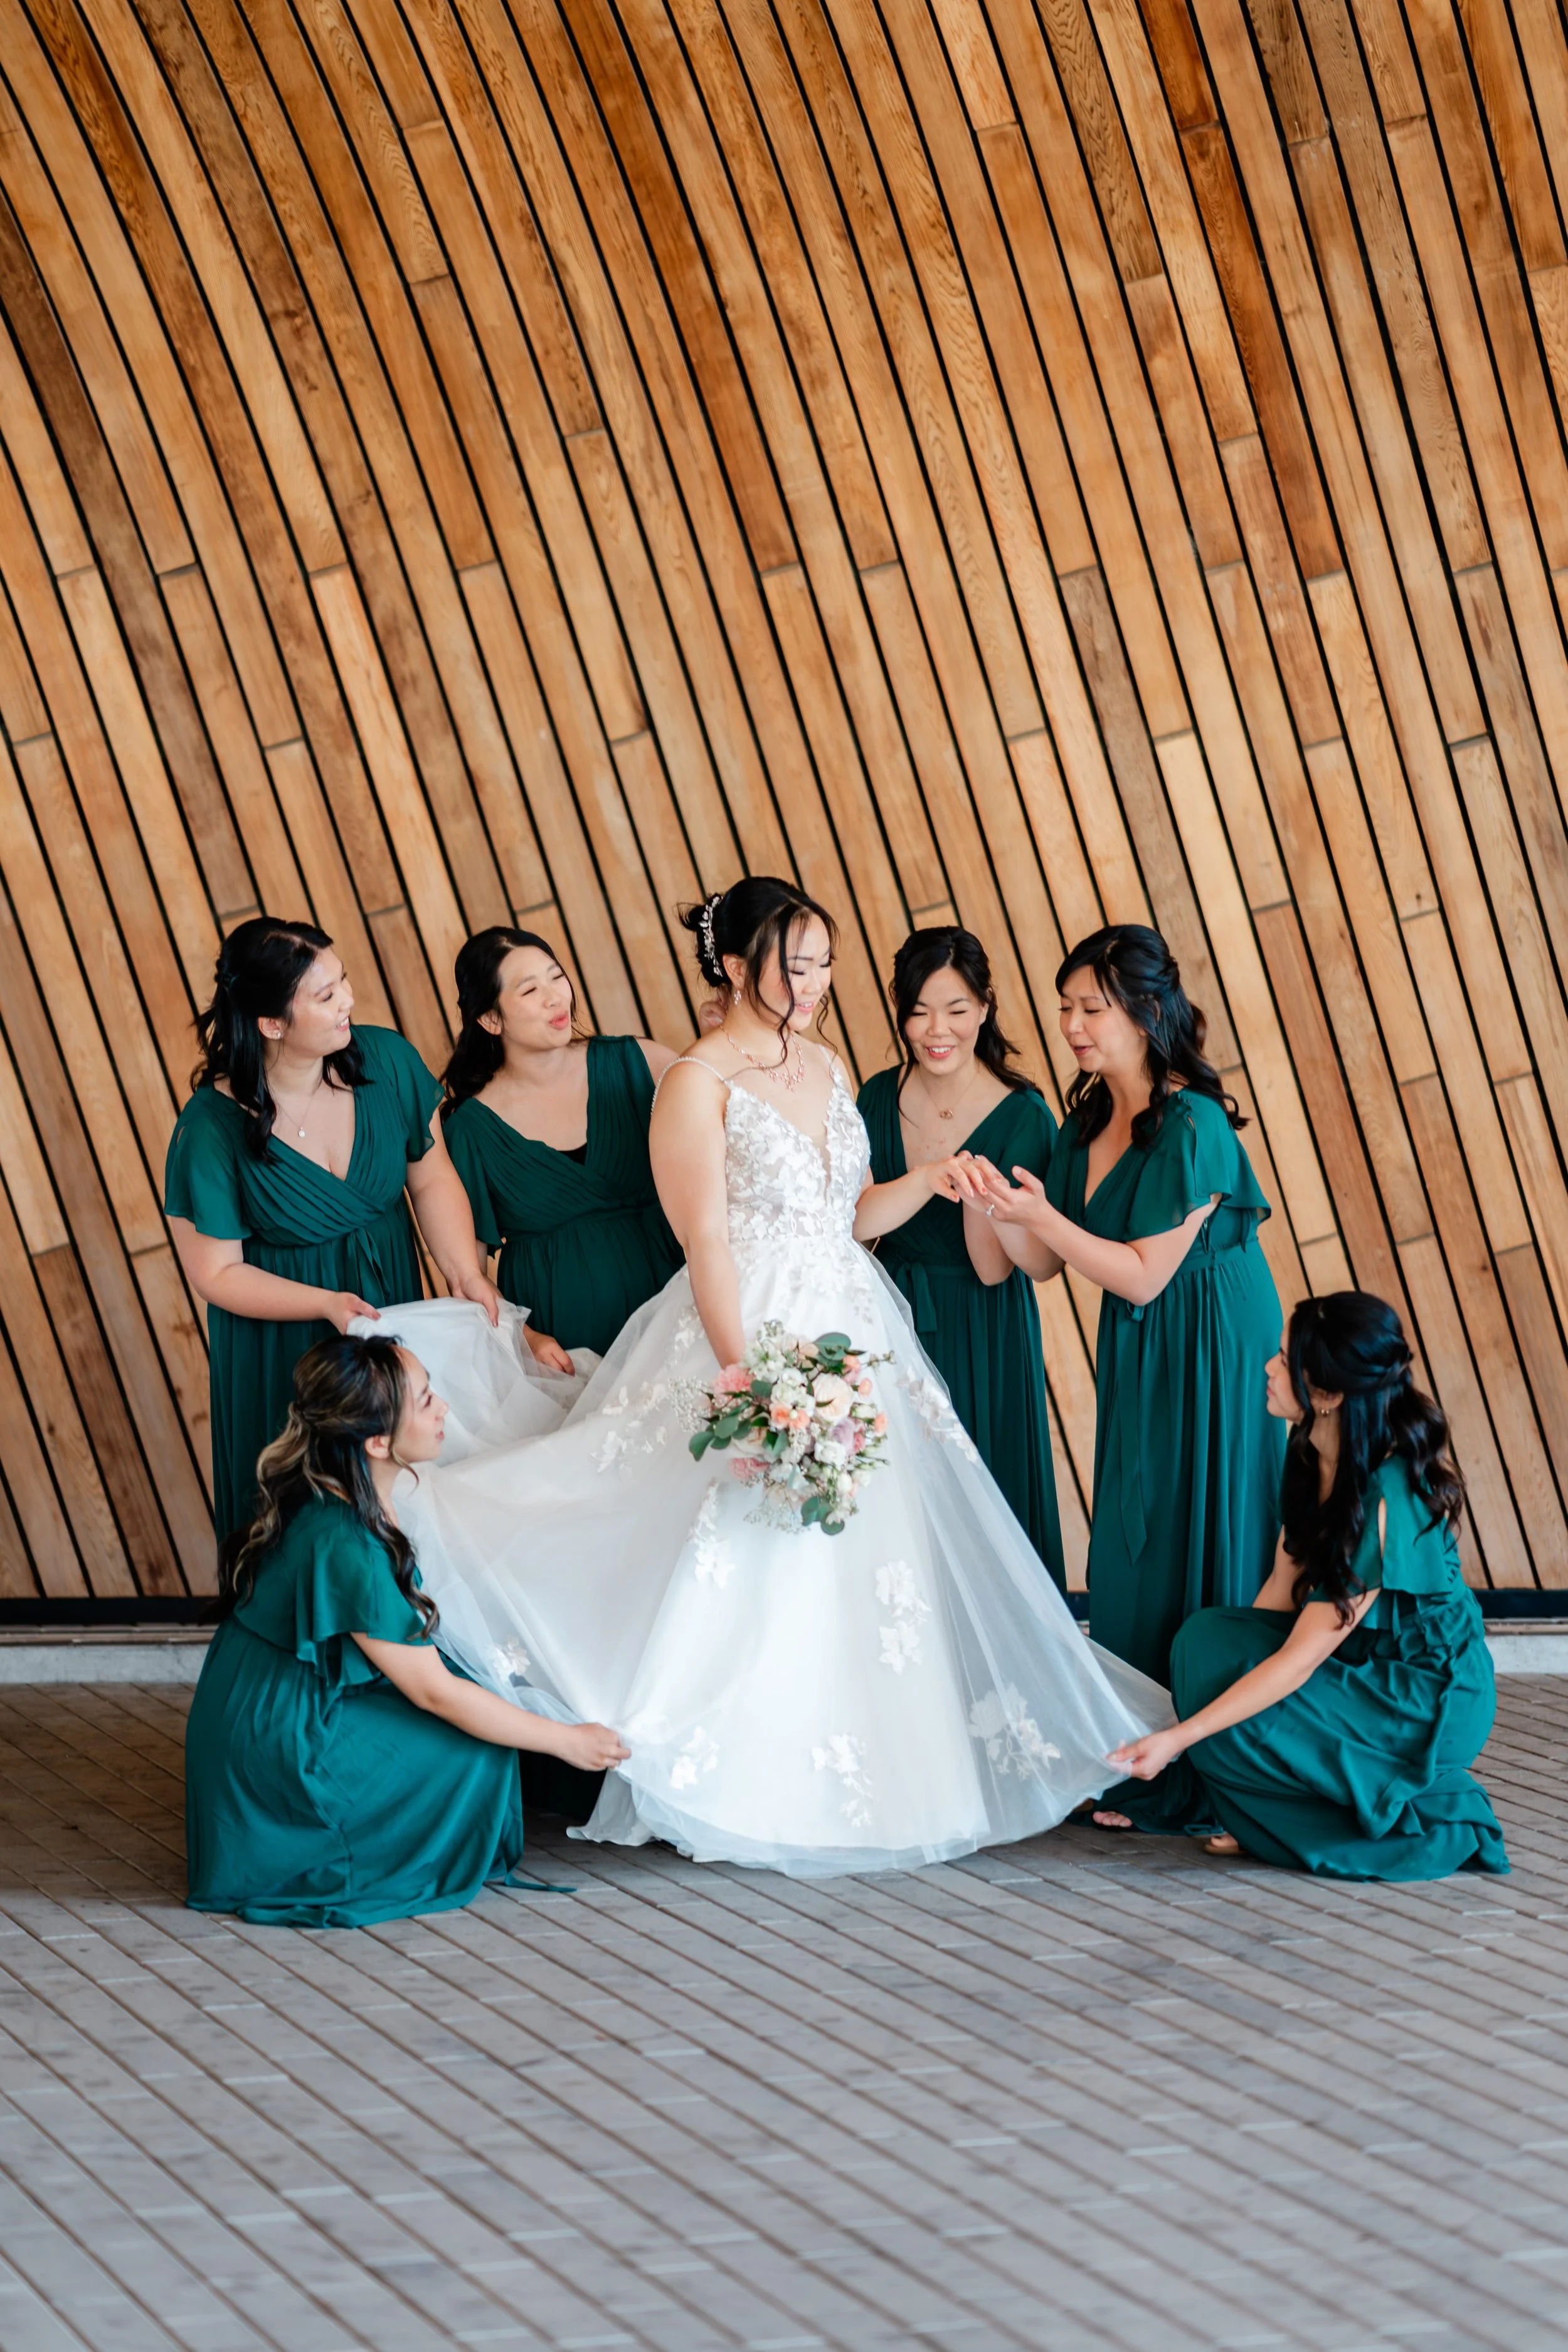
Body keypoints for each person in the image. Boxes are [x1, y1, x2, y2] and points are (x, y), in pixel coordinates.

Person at [366, 877, 1169, 1878]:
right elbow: (705, 1241)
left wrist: (927, 1180)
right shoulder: (694, 1079)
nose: (815, 982)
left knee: (869, 1546)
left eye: (825, 963)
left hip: (854, 1323)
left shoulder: (826, 1062)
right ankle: (748, 1775)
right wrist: (745, 1372)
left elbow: (849, 1217)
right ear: (739, 966)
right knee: (743, 1544)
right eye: (796, 964)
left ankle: (896, 1774)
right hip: (752, 1326)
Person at [970, 924, 1283, 1831]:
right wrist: (996, 1205)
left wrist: (1043, 1220)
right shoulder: (1087, 1121)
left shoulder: (1195, 1123)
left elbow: (1144, 1273)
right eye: (1065, 1007)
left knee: (1206, 1521)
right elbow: (1043, 1262)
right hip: (1144, 1342)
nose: (1072, 1025)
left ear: (1147, 1013)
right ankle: (1141, 1755)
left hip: (1213, 1337)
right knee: (1135, 1530)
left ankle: (1210, 1766)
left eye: (1091, 1008)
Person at [184, 1333, 628, 1927]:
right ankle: (319, 1850)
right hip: (280, 1747)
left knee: (478, 1694)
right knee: (476, 1746)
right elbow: (433, 1693)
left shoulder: (338, 1488)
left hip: (268, 1705)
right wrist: (566, 1741)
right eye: (425, 1401)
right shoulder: (347, 1542)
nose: (443, 1407)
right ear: (376, 1442)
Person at [1108, 1293, 1508, 1880]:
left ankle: (1430, 1815)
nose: (1268, 1368)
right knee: (1205, 1643)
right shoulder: (1310, 1450)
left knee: (1223, 1714)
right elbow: (1276, 1598)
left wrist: (1180, 1739)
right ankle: (1256, 1802)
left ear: (1328, 1395)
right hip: (1362, 1665)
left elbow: (1298, 1662)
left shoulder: (1386, 1500)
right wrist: (1207, 1704)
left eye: (1283, 1359)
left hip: (1427, 1699)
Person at [164, 918, 506, 1544]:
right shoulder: (210, 1128)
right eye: (325, 996)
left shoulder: (386, 1061)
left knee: (404, 1506)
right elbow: (216, 1272)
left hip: (385, 1308)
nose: (348, 1000)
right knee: (306, 1521)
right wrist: (324, 1304)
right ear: (272, 1024)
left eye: (342, 981)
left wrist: (463, 1271)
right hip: (286, 1340)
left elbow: (431, 1178)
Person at [857, 927, 1064, 1587]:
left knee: (988, 1492)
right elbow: (852, 1223)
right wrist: (923, 1182)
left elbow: (1021, 1267)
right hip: (890, 1315)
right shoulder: (874, 1097)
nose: (936, 1030)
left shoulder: (1024, 1115)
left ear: (984, 1008)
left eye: (955, 1009)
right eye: (918, 1012)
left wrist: (986, 1203)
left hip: (984, 1322)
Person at [441, 928, 684, 1362]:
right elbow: (468, 1276)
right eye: (530, 990)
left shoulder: (639, 1062)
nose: (555, 998)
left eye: (556, 977)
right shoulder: (470, 1131)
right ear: (491, 1019)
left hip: (679, 1302)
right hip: (566, 1343)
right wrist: (527, 1338)